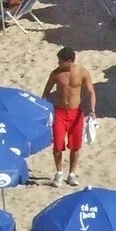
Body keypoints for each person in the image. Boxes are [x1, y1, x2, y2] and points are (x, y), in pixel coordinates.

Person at [42, 47, 96, 186]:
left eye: (60, 61)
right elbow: (46, 92)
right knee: (58, 145)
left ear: (69, 61)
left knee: (75, 145)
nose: (58, 63)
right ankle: (59, 172)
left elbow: (91, 92)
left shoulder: (82, 72)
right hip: (59, 113)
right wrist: (44, 109)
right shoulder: (56, 73)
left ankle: (71, 173)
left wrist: (92, 109)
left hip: (76, 113)